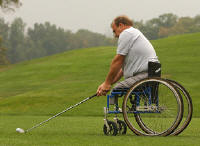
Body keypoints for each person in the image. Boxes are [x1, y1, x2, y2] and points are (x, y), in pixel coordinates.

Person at [96, 15, 159, 96]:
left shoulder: (126, 33)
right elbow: (122, 70)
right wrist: (107, 83)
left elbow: (117, 61)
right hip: (152, 72)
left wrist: (107, 83)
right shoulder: (133, 33)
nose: (115, 35)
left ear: (121, 25)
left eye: (114, 31)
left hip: (145, 74)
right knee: (118, 86)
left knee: (117, 89)